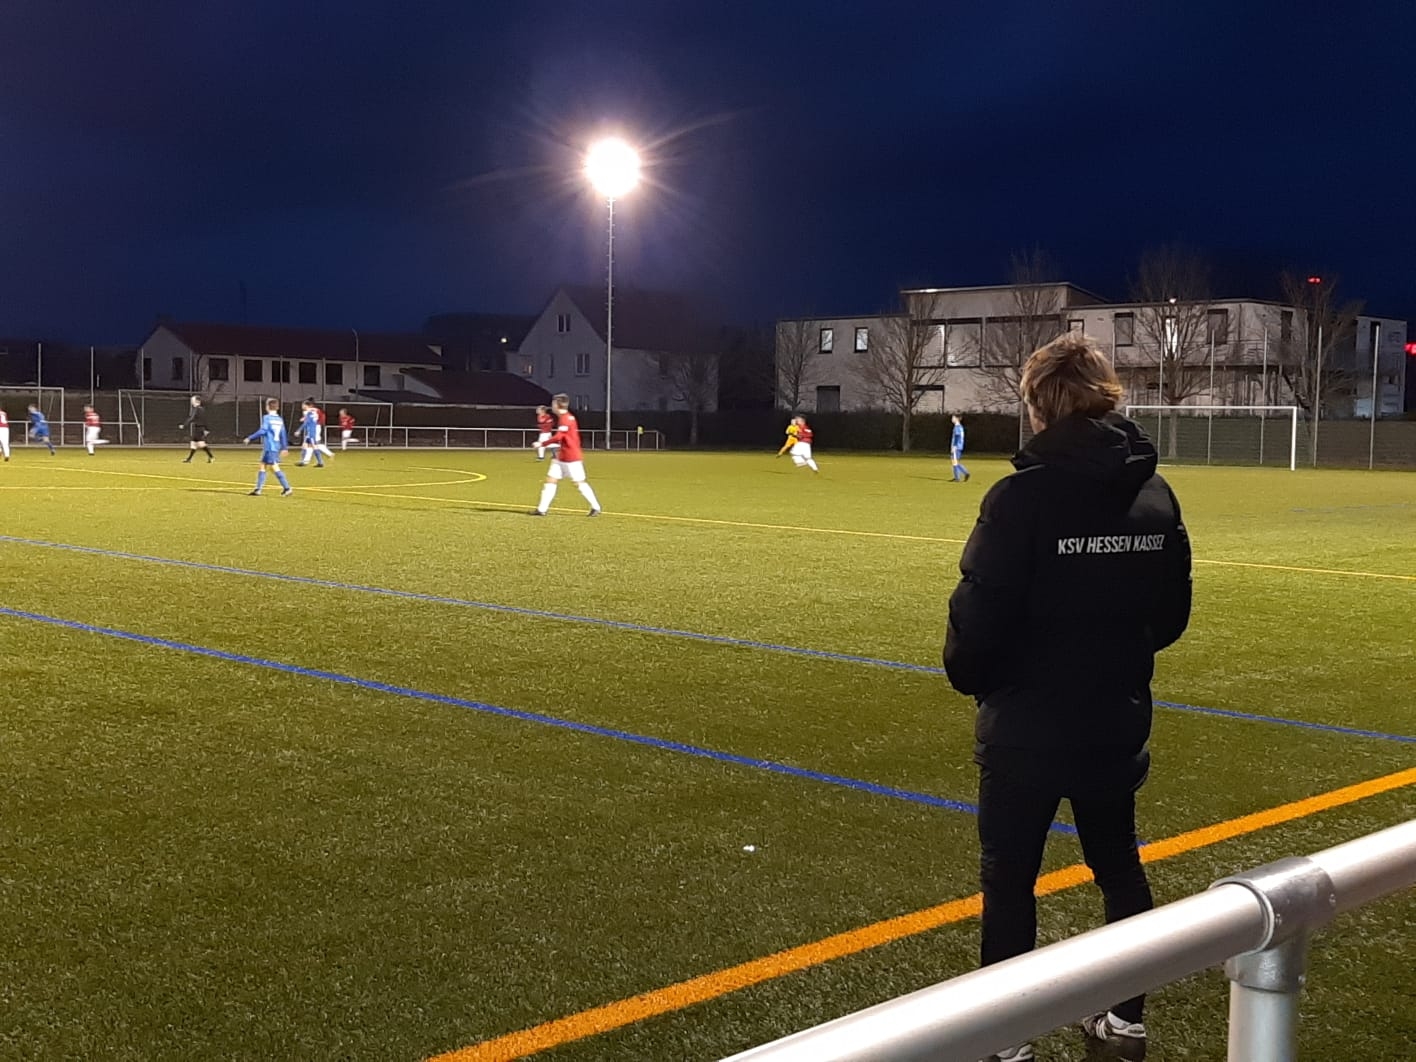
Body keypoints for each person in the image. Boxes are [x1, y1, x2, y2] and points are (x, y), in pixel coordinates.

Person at [943, 333, 1191, 1062]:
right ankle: (1126, 1022)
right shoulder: (1154, 491)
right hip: (1114, 718)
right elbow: (1171, 614)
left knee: (1010, 880)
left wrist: (982, 678)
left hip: (1027, 724)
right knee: (1119, 866)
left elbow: (977, 620)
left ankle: (1007, 1038)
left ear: (1039, 404)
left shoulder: (1021, 498)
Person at [530, 393, 601, 516]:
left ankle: (596, 507)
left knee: (579, 482)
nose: (552, 406)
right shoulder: (565, 417)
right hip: (562, 456)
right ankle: (541, 509)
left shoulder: (566, 418)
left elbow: (559, 436)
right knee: (551, 480)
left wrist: (542, 444)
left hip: (571, 457)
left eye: (553, 403)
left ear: (557, 405)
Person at [243, 398, 293, 496]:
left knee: (274, 467)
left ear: (267, 407)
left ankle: (287, 488)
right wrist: (284, 447)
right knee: (263, 465)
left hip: (270, 446)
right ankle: (258, 489)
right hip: (276, 446)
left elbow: (263, 430)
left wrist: (250, 437)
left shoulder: (267, 418)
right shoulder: (279, 419)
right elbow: (283, 434)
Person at [180, 396, 215, 463]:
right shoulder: (200, 409)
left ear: (197, 401)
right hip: (198, 428)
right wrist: (207, 429)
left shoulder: (197, 409)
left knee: (200, 444)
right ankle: (189, 459)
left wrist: (184, 425)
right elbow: (204, 419)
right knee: (193, 443)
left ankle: (211, 457)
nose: (191, 402)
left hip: (199, 428)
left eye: (192, 400)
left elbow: (192, 418)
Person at [297, 401, 326, 467]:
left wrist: (299, 430)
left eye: (303, 405)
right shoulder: (313, 411)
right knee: (304, 446)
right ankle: (302, 461)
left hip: (311, 433)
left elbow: (306, 423)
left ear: (306, 405)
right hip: (310, 432)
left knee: (314, 446)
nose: (302, 406)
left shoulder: (309, 412)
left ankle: (320, 462)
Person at [950, 414, 971, 482]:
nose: (952, 419)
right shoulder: (960, 427)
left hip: (957, 447)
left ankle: (959, 477)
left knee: (954, 462)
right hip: (959, 446)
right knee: (955, 462)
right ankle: (962, 475)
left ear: (956, 419)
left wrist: (954, 446)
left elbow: (957, 437)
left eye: (953, 418)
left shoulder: (957, 427)